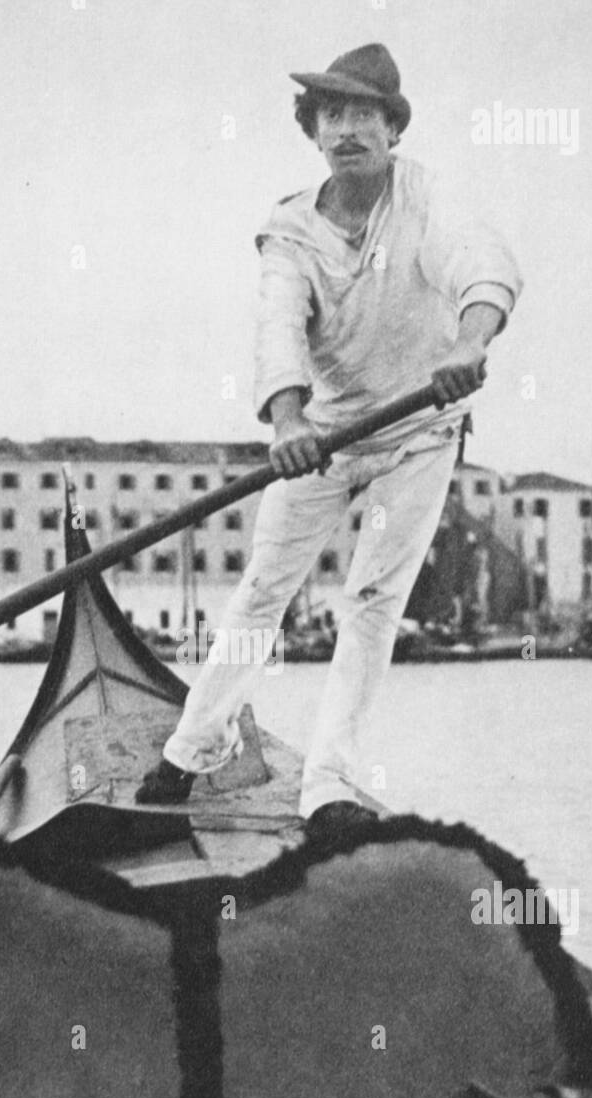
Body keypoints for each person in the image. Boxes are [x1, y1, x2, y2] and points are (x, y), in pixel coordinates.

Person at [137, 43, 522, 838]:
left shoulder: (427, 198)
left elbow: (482, 260)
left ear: (393, 130)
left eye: (364, 115)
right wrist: (287, 422)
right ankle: (192, 748)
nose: (347, 130)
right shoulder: (288, 230)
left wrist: (469, 341)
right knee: (262, 590)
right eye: (332, 115)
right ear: (313, 132)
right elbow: (278, 327)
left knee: (371, 602)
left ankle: (330, 783)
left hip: (421, 430)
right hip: (326, 434)